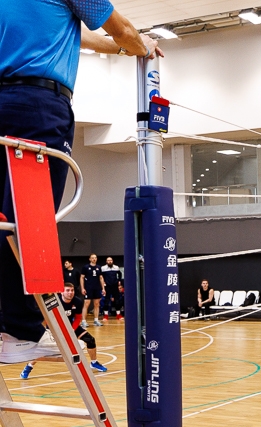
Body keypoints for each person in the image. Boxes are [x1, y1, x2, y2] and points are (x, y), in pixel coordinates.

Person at [0, 0, 161, 361]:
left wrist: (123, 48)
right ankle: (22, 331)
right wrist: (142, 47)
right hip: (38, 106)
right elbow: (121, 29)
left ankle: (9, 327)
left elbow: (76, 36)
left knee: (5, 220)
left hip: (5, 102)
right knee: (30, 221)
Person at [20, 283, 108, 379]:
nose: (70, 293)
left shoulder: (77, 301)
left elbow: (77, 318)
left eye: (72, 290)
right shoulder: (54, 302)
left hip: (70, 326)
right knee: (44, 350)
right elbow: (47, 319)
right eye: (67, 290)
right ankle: (28, 367)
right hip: (54, 328)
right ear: (62, 292)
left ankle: (94, 363)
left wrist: (72, 330)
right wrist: (53, 331)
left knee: (90, 340)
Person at [80, 254, 105, 327]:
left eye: (95, 258)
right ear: (90, 259)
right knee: (86, 303)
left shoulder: (99, 267)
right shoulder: (85, 267)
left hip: (97, 288)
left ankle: (96, 320)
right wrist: (82, 288)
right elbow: (82, 277)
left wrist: (103, 288)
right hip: (88, 288)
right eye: (92, 258)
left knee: (97, 304)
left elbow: (101, 278)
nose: (94, 259)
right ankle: (83, 321)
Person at [101, 256, 122, 320]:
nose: (110, 261)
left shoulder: (116, 267)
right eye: (108, 260)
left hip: (115, 286)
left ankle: (118, 314)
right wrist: (103, 284)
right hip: (107, 286)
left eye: (111, 260)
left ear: (112, 261)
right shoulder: (103, 268)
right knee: (106, 300)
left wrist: (119, 281)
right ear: (106, 261)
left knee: (117, 300)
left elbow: (120, 274)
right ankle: (105, 315)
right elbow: (101, 277)